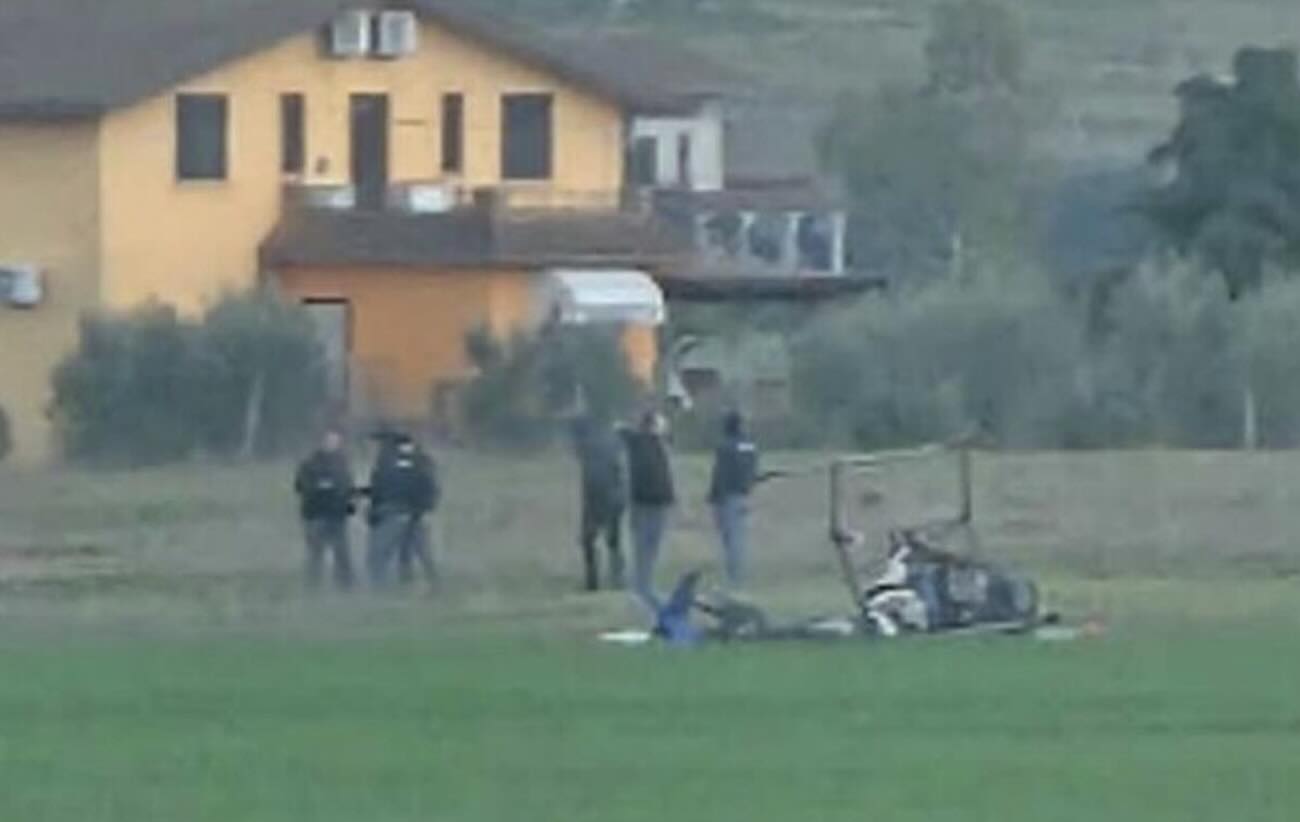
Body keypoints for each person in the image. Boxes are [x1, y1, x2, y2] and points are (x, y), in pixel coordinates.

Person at [366, 429, 440, 590]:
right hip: (414, 513)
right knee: (418, 552)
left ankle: (380, 588)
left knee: (379, 552)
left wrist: (373, 513)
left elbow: (378, 490)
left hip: (395, 511)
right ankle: (429, 583)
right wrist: (424, 509)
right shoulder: (421, 461)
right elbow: (430, 488)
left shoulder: (386, 462)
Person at [619, 409, 675, 612]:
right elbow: (622, 431)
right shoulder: (640, 442)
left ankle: (646, 589)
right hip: (647, 506)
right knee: (644, 551)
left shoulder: (655, 444)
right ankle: (642, 590)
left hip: (654, 506)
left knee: (648, 551)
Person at [293, 427, 356, 591]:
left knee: (342, 552)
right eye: (329, 441)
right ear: (322, 442)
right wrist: (320, 487)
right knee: (316, 553)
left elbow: (348, 487)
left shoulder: (343, 463)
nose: (333, 444)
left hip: (337, 515)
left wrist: (349, 506)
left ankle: (346, 586)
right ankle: (313, 586)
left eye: (336, 441)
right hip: (315, 514)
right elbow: (300, 486)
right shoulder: (310, 463)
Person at [571, 415, 627, 592]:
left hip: (599, 499)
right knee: (613, 541)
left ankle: (594, 581)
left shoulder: (588, 447)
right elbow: (618, 470)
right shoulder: (605, 444)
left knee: (590, 541)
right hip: (612, 497)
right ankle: (616, 578)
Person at [708, 411, 760, 589]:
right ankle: (738, 575)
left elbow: (719, 474)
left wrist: (714, 498)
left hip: (727, 496)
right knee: (740, 537)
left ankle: (735, 578)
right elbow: (754, 470)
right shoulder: (750, 445)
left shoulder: (725, 447)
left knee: (730, 539)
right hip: (745, 494)